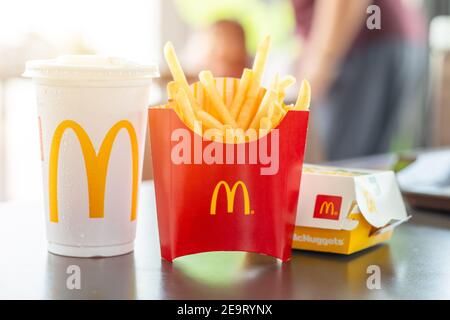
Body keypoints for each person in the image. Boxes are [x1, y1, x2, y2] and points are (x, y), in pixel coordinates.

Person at [292, 0, 427, 160]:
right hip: (394, 38)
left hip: (362, 45)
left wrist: (324, 57)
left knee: (342, 169)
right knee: (373, 168)